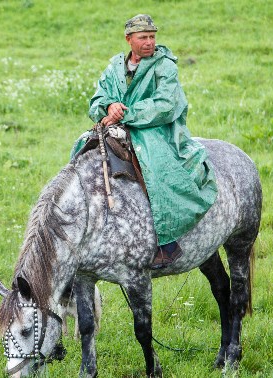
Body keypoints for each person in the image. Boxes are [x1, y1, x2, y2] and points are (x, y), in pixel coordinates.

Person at [75, 14, 218, 269]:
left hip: (157, 129)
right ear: (129, 39)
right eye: (143, 37)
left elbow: (166, 105)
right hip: (116, 126)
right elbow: (96, 100)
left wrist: (126, 112)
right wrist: (109, 106)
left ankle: (166, 241)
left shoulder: (165, 66)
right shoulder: (114, 68)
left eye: (152, 37)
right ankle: (82, 224)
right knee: (81, 148)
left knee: (155, 164)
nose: (149, 42)